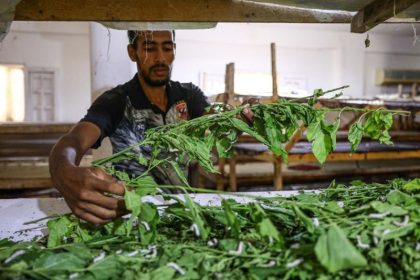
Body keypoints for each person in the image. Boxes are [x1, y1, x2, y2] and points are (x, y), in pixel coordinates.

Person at [49, 30, 254, 225]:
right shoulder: (116, 101)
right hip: (134, 213)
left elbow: (217, 121)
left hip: (183, 210)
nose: (160, 58)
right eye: (149, 48)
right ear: (133, 52)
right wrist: (63, 170)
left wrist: (237, 117)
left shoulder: (188, 95)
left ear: (174, 50)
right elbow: (74, 140)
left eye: (167, 48)